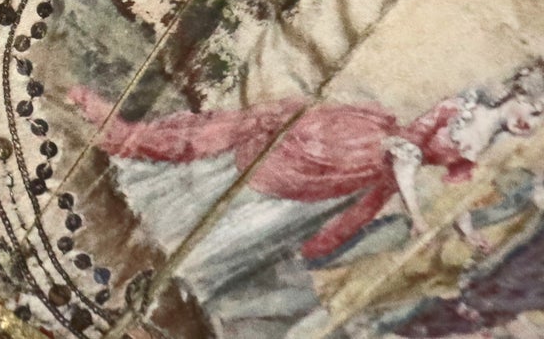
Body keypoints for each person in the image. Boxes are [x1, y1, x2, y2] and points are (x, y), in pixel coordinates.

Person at [71, 61, 544, 327]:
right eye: (535, 110)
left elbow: (458, 189)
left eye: (539, 119)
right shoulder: (460, 108)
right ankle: (161, 208)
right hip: (355, 149)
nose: (532, 123)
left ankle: (194, 266)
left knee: (285, 224)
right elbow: (407, 156)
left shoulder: (485, 144)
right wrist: (418, 216)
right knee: (271, 174)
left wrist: (467, 231)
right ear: (519, 94)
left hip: (361, 182)